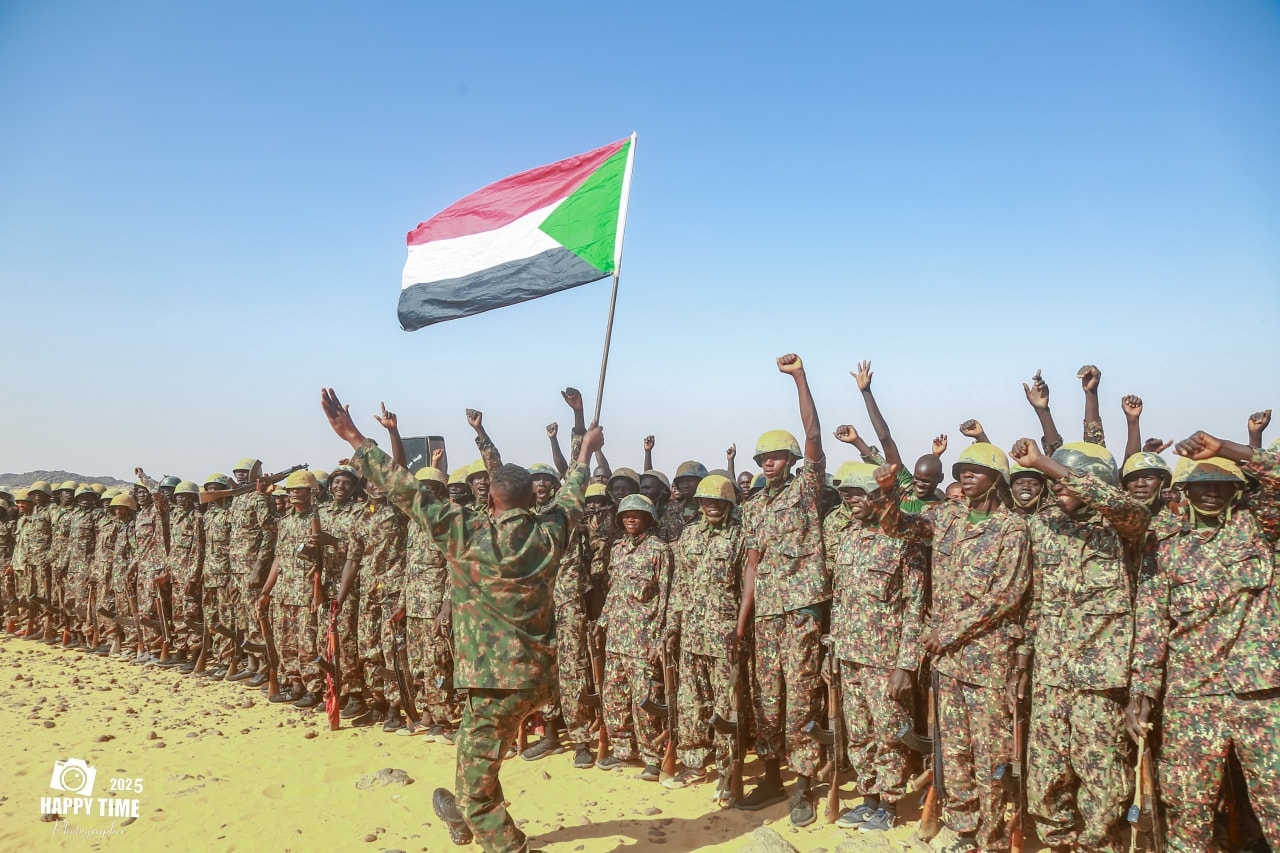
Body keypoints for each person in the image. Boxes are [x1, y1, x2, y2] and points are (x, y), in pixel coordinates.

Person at [321, 386, 601, 853]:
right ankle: (459, 816)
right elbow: (572, 494)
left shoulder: (465, 533)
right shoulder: (550, 532)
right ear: (530, 499)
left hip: (492, 682)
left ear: (490, 500)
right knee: (475, 752)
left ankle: (502, 840)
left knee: (476, 793)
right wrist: (586, 451)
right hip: (535, 678)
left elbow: (407, 491)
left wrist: (354, 438)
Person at [871, 443, 1030, 853]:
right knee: (955, 753)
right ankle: (965, 831)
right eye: (962, 470)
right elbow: (898, 527)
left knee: (990, 756)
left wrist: (948, 632)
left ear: (997, 479)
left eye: (976, 470)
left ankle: (993, 838)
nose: (966, 476)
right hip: (947, 664)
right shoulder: (947, 516)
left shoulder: (1012, 529)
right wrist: (888, 493)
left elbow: (1006, 595)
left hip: (987, 663)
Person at [1127, 433, 1280, 853]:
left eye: (1221, 484)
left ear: (1236, 490)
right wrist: (1142, 692)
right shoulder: (1164, 545)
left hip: (1260, 694)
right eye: (1201, 484)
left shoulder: (1261, 528)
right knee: (1188, 810)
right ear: (1185, 490)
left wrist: (1227, 450)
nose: (1211, 491)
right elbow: (1151, 623)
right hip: (1192, 696)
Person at [1008, 440, 1148, 852]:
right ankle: (1057, 841)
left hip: (1100, 679)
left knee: (1102, 777)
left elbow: (1129, 510)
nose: (1057, 487)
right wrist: (1023, 660)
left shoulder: (1123, 526)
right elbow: (1037, 599)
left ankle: (1096, 845)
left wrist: (1045, 463)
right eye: (1054, 481)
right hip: (1051, 673)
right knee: (1046, 773)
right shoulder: (1044, 526)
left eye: (1065, 480)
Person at [731, 353, 829, 826]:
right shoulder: (752, 507)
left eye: (775, 457)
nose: (768, 463)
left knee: (803, 696)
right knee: (767, 696)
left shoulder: (805, 489)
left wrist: (799, 379)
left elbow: (814, 436)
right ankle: (772, 777)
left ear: (790, 461)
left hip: (802, 609)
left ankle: (804, 785)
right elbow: (752, 565)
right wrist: (742, 622)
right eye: (762, 458)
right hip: (767, 614)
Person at [825, 461, 925, 833]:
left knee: (889, 732)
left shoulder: (903, 539)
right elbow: (840, 600)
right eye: (846, 494)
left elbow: (915, 605)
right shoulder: (848, 536)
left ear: (878, 496)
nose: (851, 500)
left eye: (859, 493)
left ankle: (889, 803)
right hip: (850, 653)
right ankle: (868, 797)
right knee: (858, 732)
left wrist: (906, 664)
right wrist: (832, 652)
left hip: (885, 658)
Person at [664, 473, 745, 800]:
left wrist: (741, 633)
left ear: (728, 503)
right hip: (692, 635)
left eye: (718, 501)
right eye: (706, 501)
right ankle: (694, 763)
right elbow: (680, 585)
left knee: (727, 706)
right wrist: (673, 626)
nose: (712, 506)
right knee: (691, 703)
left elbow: (746, 589)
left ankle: (728, 769)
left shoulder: (739, 537)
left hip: (725, 638)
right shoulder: (689, 535)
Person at [594, 493, 674, 781]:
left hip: (643, 639)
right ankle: (624, 751)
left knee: (645, 701)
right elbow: (614, 591)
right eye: (626, 515)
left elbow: (666, 598)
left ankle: (652, 756)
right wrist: (602, 621)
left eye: (637, 515)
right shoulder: (617, 549)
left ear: (648, 519)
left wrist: (660, 639)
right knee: (614, 697)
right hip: (617, 637)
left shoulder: (659, 550)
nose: (630, 518)